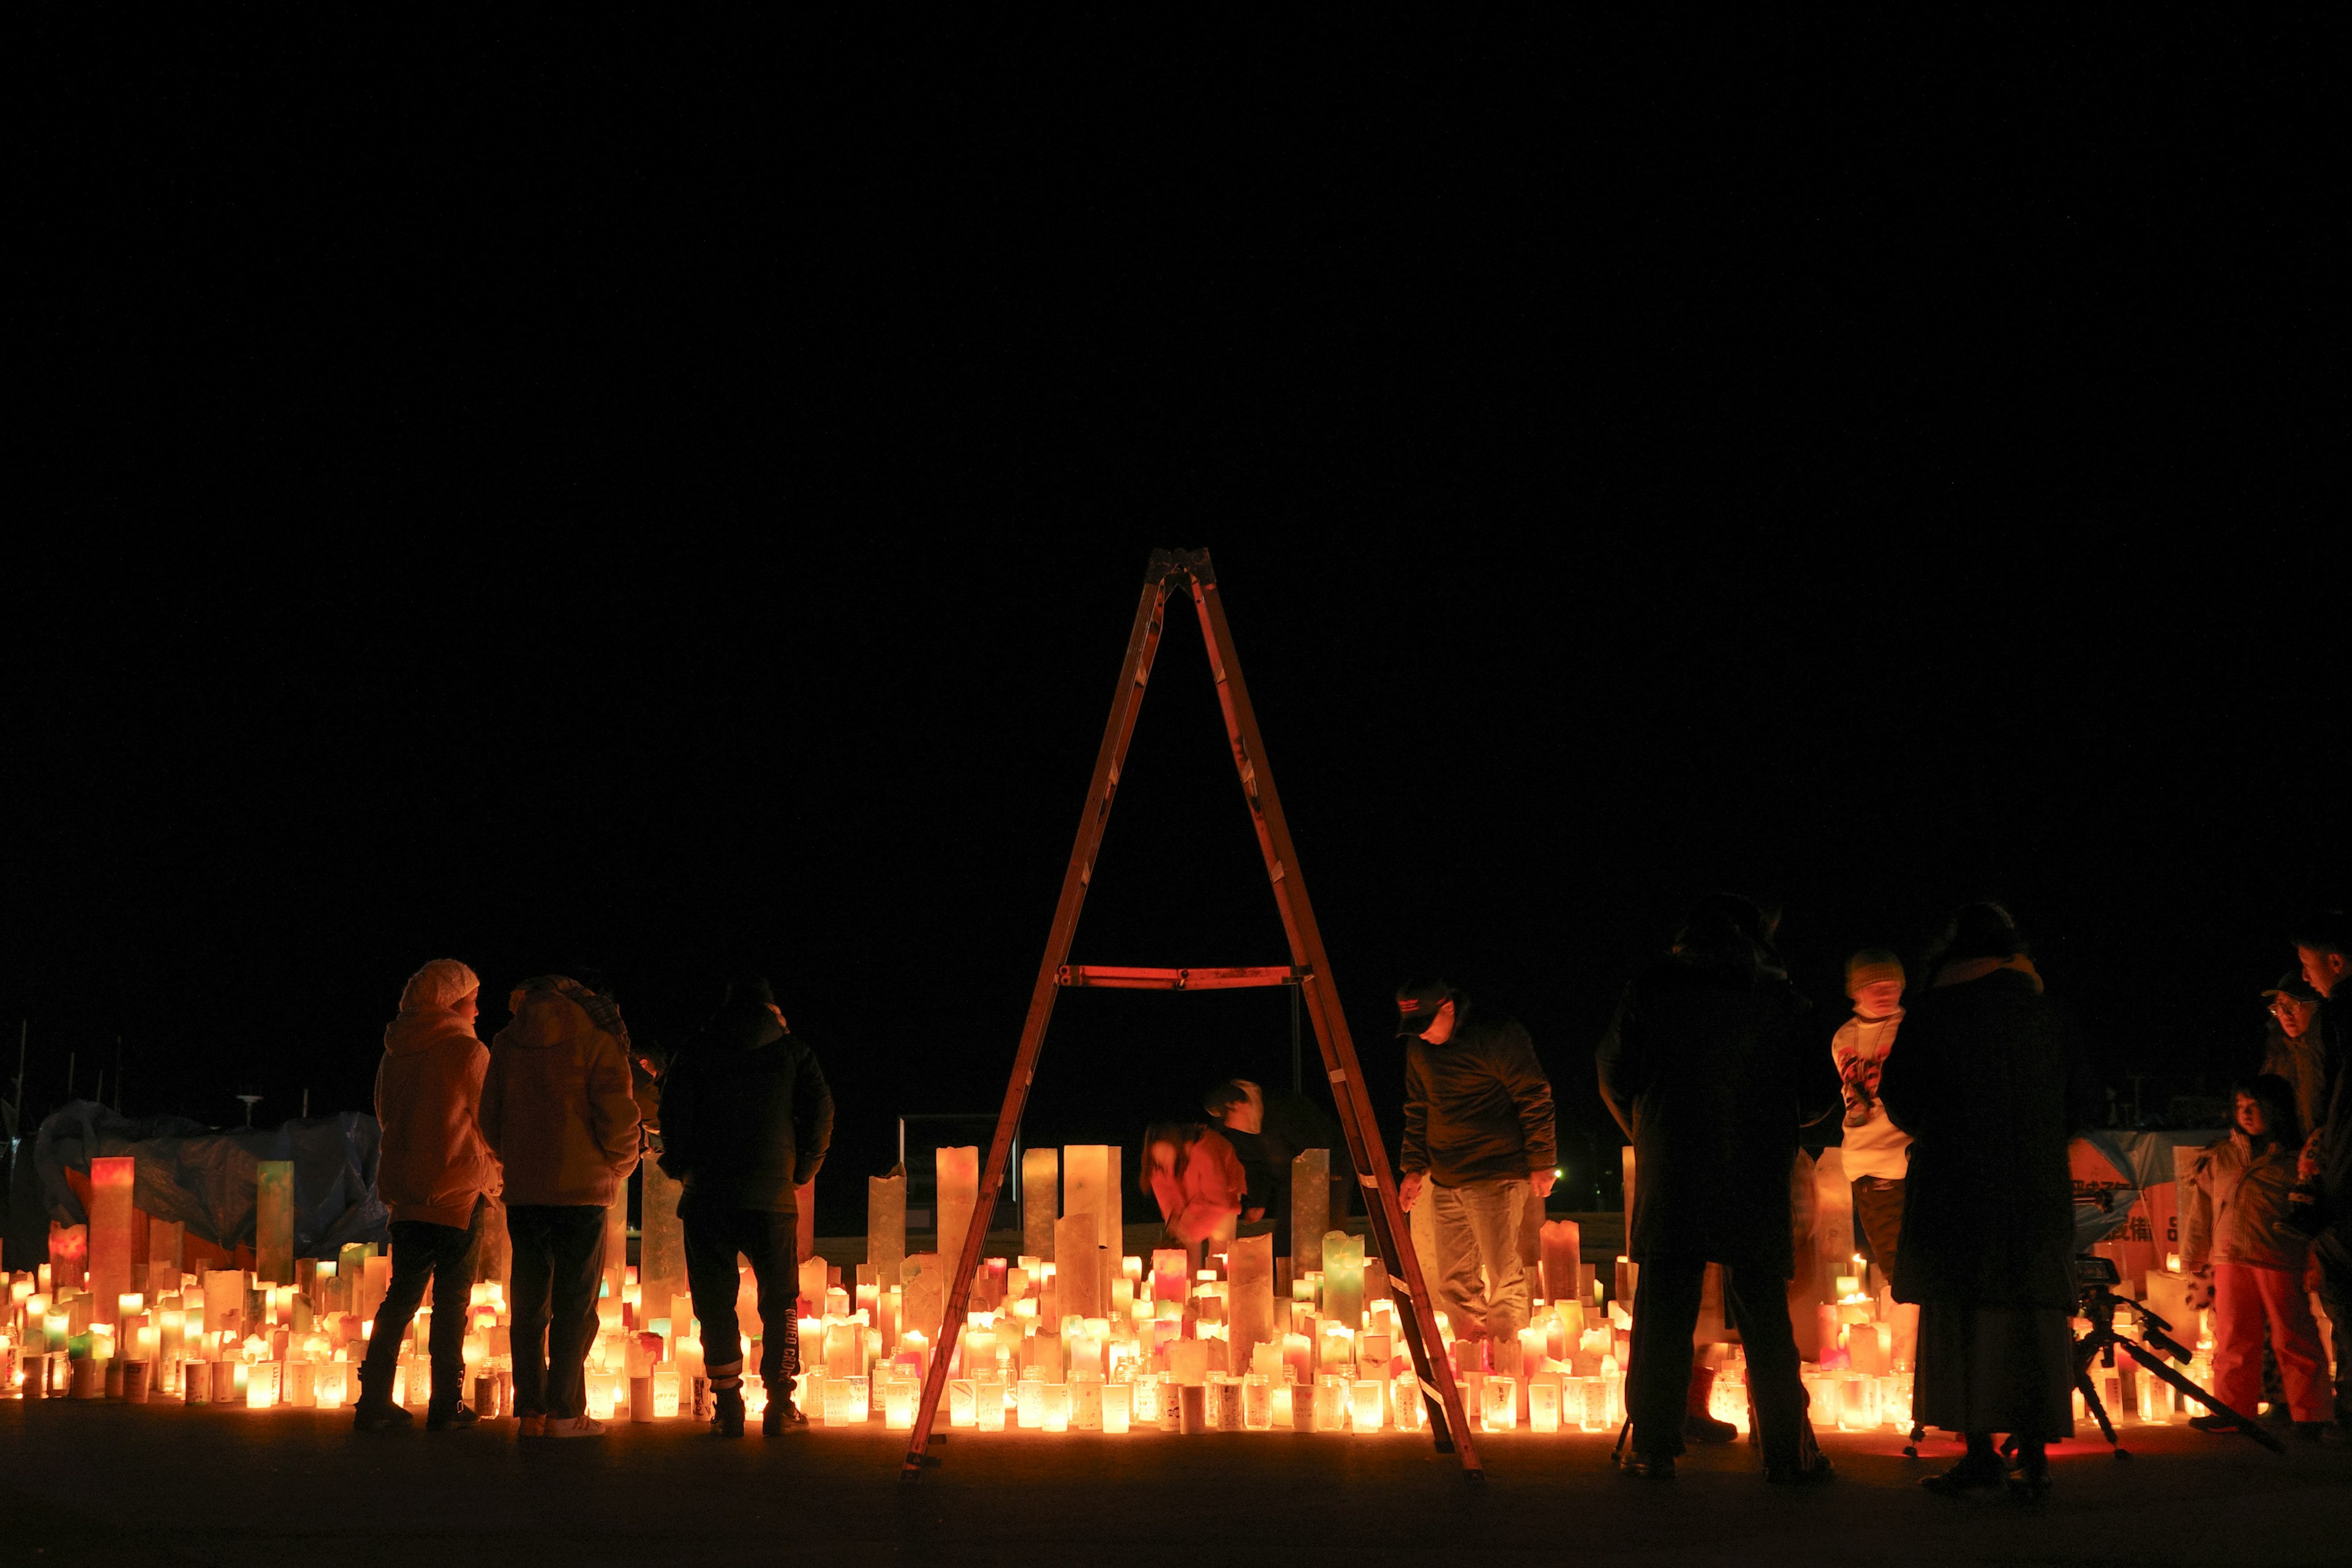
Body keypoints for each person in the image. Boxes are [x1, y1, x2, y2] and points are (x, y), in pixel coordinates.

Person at [1596, 896, 1830, 1483]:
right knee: (1765, 1316)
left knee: (1665, 1313)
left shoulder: (1650, 992)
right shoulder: (1782, 1000)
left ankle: (1653, 1447)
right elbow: (1820, 1095)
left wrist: (1648, 1135)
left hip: (1673, 1171)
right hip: (1755, 1172)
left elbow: (1613, 1075)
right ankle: (1786, 1452)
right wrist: (1775, 1125)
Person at [1879, 903, 2098, 1501]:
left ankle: (1979, 1453)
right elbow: (2082, 1103)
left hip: (1957, 1189)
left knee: (1963, 1321)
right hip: (2034, 1191)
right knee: (2033, 1321)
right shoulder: (2047, 1012)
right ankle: (2033, 1460)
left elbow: (1900, 1100)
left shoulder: (1932, 1012)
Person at [657, 978, 834, 1438]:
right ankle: (780, 1405)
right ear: (773, 1010)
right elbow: (821, 1113)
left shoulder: (695, 1050)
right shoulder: (795, 1053)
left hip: (707, 1196)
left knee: (715, 1303)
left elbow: (672, 1112)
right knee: (781, 1303)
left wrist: (679, 1167)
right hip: (772, 1199)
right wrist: (801, 1171)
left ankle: (729, 1405)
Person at [480, 973, 643, 1438]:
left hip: (527, 1193)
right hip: (581, 1192)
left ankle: (531, 1413)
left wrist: (518, 1157)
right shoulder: (596, 1040)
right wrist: (619, 1164)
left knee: (529, 1305)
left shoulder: (508, 1043)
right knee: (576, 1305)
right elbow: (618, 1115)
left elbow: (490, 1116)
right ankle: (565, 1413)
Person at [353, 959, 500, 1432]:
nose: (478, 1010)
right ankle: (447, 1404)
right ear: (453, 1003)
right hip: (457, 1189)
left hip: (406, 1189)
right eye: (472, 1000)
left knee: (401, 1298)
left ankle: (373, 1400)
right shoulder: (466, 1051)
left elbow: (383, 1114)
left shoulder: (395, 1053)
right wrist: (497, 1174)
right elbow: (490, 1120)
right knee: (452, 1302)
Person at [1398, 979, 1556, 1357]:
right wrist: (1414, 1167)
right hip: (1446, 1176)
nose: (1422, 1034)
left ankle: (1507, 1359)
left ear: (1448, 1007)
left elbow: (1534, 1096)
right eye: (1414, 1028)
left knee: (1503, 1274)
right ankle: (1474, 1359)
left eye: (1427, 1023)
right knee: (1455, 1281)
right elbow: (1418, 1106)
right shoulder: (1419, 1047)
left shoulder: (1496, 1034)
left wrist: (1542, 1161)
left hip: (1496, 1172)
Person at [2182, 1074, 2331, 1439]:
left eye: (2255, 1106)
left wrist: (2316, 1260)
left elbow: (2314, 1210)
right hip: (2230, 1255)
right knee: (2232, 1335)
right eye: (2240, 1107)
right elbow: (2202, 1207)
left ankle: (2311, 1414)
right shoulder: (2222, 1155)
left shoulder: (2299, 1157)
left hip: (2278, 1253)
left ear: (2275, 1108)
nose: (2246, 1114)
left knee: (2293, 1334)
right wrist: (2193, 1254)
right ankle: (2233, 1409)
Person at [2291, 910, 2352, 1438]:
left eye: (2309, 969)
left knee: (2345, 1297)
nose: (2308, 978)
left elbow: (2321, 1110)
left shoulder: (2333, 1021)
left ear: (2336, 962)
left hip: (2346, 1180)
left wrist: (2318, 1167)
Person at [1833, 949, 1912, 1288]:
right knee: (1894, 1273)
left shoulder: (1911, 1030)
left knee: (1911, 1273)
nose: (1884, 993)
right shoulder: (1841, 1038)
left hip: (1904, 1163)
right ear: (1855, 990)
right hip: (1861, 1164)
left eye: (1892, 985)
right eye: (1874, 985)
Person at [1142, 1120, 1246, 1262]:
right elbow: (1169, 1201)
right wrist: (1176, 1225)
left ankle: (1220, 1281)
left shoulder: (1204, 1152)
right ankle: (1186, 1280)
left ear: (1175, 1145)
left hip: (1222, 1190)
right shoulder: (1158, 1165)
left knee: (1220, 1241)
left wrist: (1193, 1230)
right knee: (1182, 1239)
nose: (1162, 1159)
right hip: (1191, 1194)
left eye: (1166, 1152)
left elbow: (1219, 1201)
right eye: (1157, 1156)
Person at [2260, 973, 2326, 1161]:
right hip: (2289, 1154)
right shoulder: (2278, 1053)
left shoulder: (2327, 1050)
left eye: (2293, 1005)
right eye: (2279, 1007)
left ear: (2316, 1006)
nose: (2285, 1014)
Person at [1204, 1080, 1278, 1234]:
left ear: (1237, 1105)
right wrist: (1258, 1202)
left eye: (1227, 1116)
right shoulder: (1236, 1135)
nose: (1227, 1125)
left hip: (1321, 1173)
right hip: (1284, 1185)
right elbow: (1254, 1165)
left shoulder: (1277, 1111)